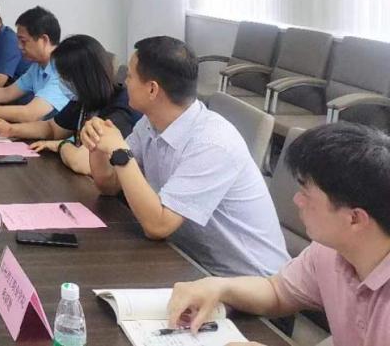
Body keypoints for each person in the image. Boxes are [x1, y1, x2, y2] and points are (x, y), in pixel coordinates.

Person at [166, 123, 390, 346]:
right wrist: (218, 287)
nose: (297, 200)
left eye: (306, 194)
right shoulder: (329, 250)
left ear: (355, 219)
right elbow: (277, 292)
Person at [82, 36, 288, 278]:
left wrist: (120, 151)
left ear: (152, 89)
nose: (125, 82)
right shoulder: (150, 122)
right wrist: (97, 144)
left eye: (130, 76)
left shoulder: (211, 143)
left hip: (247, 281)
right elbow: (108, 186)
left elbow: (158, 226)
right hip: (188, 261)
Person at [0, 34, 141, 175]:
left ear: (82, 78)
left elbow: (82, 163)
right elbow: (52, 129)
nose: (61, 82)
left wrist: (61, 145)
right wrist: (10, 130)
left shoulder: (120, 109)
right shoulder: (83, 98)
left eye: (64, 77)